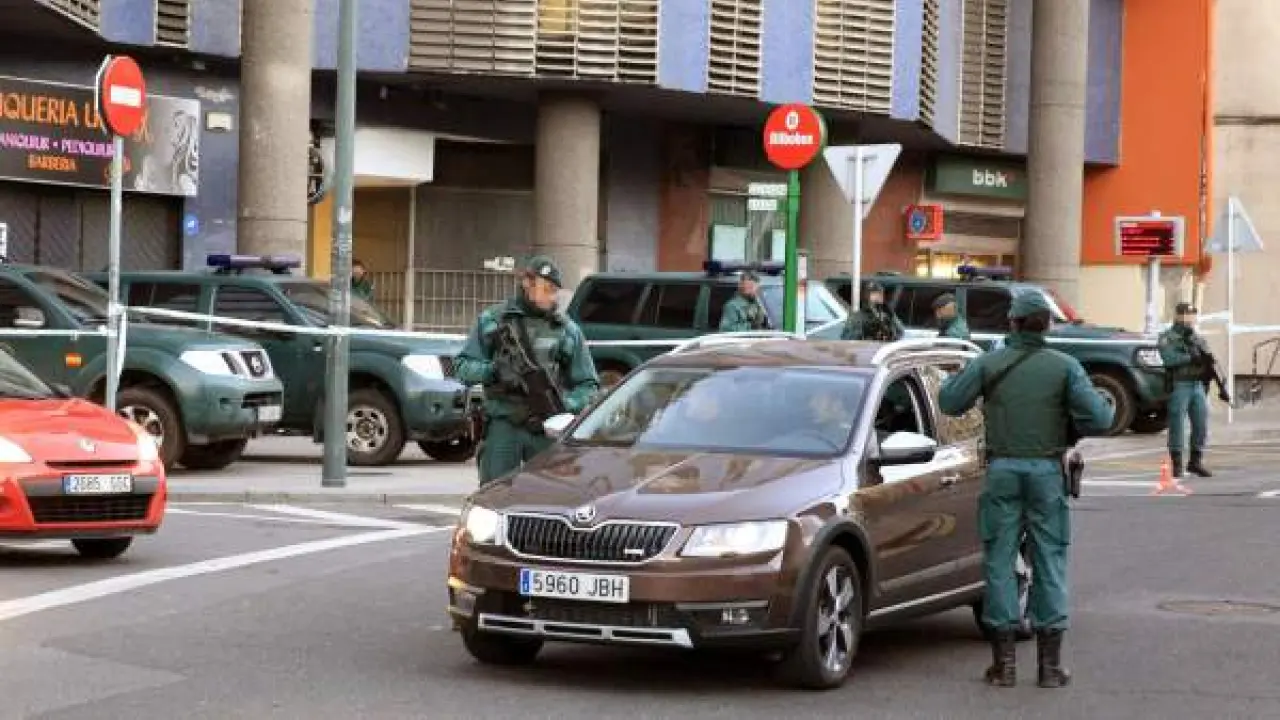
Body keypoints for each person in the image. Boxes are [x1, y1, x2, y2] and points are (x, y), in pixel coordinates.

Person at [938, 292, 1113, 689]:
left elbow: (949, 401)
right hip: (1047, 472)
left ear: (1012, 323)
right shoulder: (1065, 367)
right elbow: (1101, 417)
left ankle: (1004, 666)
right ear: (1046, 324)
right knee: (1049, 560)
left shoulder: (989, 363)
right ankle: (1050, 668)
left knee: (999, 562)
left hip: (1002, 471)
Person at [454, 255, 601, 484]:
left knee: (551, 493)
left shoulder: (565, 330)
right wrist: (493, 371)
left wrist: (564, 404)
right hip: (504, 423)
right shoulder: (493, 320)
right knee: (496, 492)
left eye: (554, 291)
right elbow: (462, 367)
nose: (551, 296)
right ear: (527, 283)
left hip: (546, 426)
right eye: (546, 289)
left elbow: (588, 385)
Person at [1158, 302, 1218, 478]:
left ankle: (1195, 462)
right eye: (1184, 314)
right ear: (1177, 315)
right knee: (1177, 424)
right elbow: (1168, 358)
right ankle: (1177, 463)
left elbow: (1208, 357)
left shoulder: (1197, 338)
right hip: (1180, 383)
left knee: (1201, 423)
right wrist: (1190, 357)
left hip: (1197, 385)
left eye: (1191, 314)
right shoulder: (1168, 337)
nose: (1188, 318)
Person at [841, 281, 905, 341]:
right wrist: (866, 331)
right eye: (874, 294)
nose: (877, 298)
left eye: (879, 295)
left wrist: (890, 319)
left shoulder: (887, 314)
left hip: (884, 347)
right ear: (866, 297)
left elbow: (900, 332)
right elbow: (847, 338)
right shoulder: (857, 317)